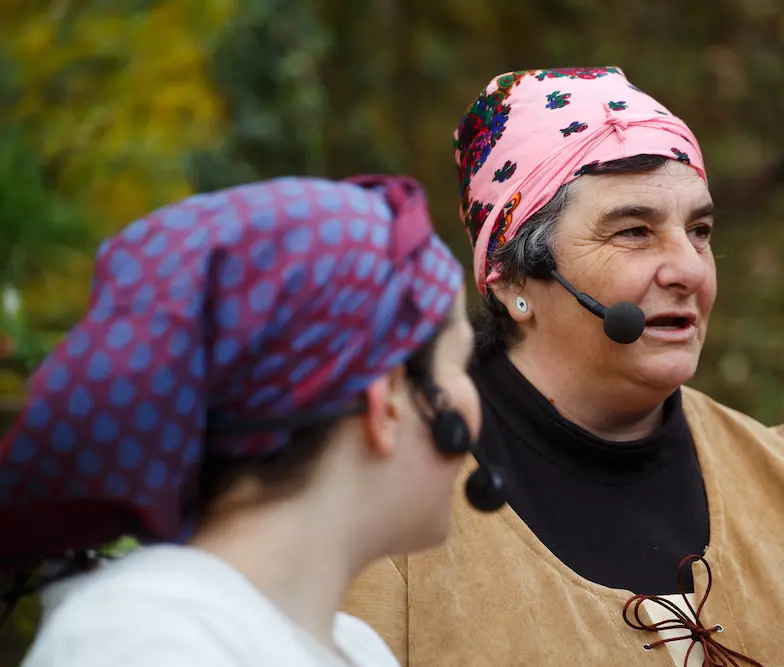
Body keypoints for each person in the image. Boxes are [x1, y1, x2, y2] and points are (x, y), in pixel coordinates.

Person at [342, 68, 784, 666]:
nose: (690, 270)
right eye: (633, 232)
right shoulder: (389, 517)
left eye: (698, 231)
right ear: (516, 281)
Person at [0, 174, 502, 667]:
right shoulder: (146, 646)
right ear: (389, 400)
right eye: (458, 365)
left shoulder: (351, 647)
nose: (472, 394)